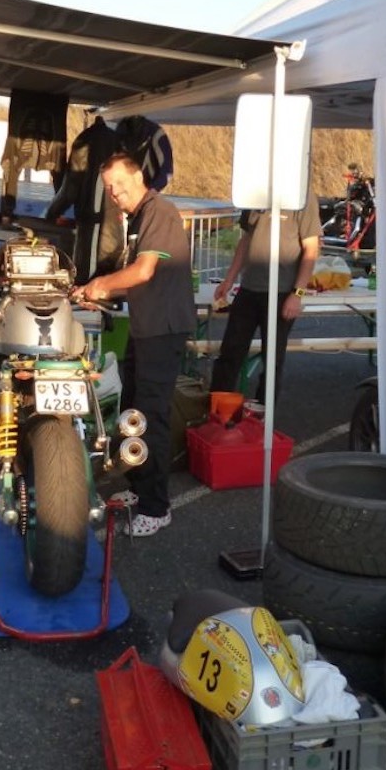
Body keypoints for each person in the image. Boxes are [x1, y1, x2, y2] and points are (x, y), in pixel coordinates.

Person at [74, 153, 196, 538]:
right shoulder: (139, 216)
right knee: (132, 411)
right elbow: (137, 280)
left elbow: (143, 271)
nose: (114, 193)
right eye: (109, 188)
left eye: (119, 184)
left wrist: (101, 284)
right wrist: (100, 293)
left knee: (151, 416)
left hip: (163, 328)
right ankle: (139, 487)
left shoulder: (159, 211)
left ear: (139, 176)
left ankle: (157, 508)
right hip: (144, 328)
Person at [210, 188, 322, 404]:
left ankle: (263, 413)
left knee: (272, 360)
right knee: (230, 353)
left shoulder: (302, 194)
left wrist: (297, 294)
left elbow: (311, 249)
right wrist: (229, 279)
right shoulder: (256, 187)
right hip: (249, 288)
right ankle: (217, 411)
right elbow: (246, 239)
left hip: (282, 292)